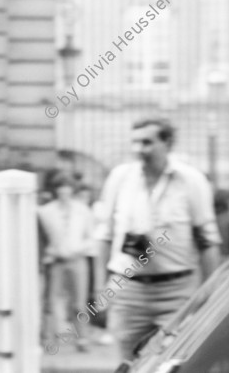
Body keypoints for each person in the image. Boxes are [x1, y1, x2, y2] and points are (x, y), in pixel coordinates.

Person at [95, 118, 222, 361]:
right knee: (128, 361)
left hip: (177, 291)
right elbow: (104, 235)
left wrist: (209, 295)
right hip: (128, 290)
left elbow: (208, 240)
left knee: (174, 362)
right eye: (134, 143)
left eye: (146, 142)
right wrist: (100, 289)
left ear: (168, 143)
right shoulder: (120, 178)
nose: (138, 150)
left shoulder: (191, 180)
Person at [38, 173, 94, 352]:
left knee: (79, 302)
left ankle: (82, 338)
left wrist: (77, 249)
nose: (64, 192)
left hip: (77, 259)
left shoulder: (82, 210)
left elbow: (90, 237)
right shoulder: (45, 211)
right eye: (60, 189)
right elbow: (41, 239)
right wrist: (52, 252)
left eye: (67, 189)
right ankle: (47, 338)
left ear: (72, 190)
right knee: (51, 300)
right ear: (55, 191)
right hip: (56, 260)